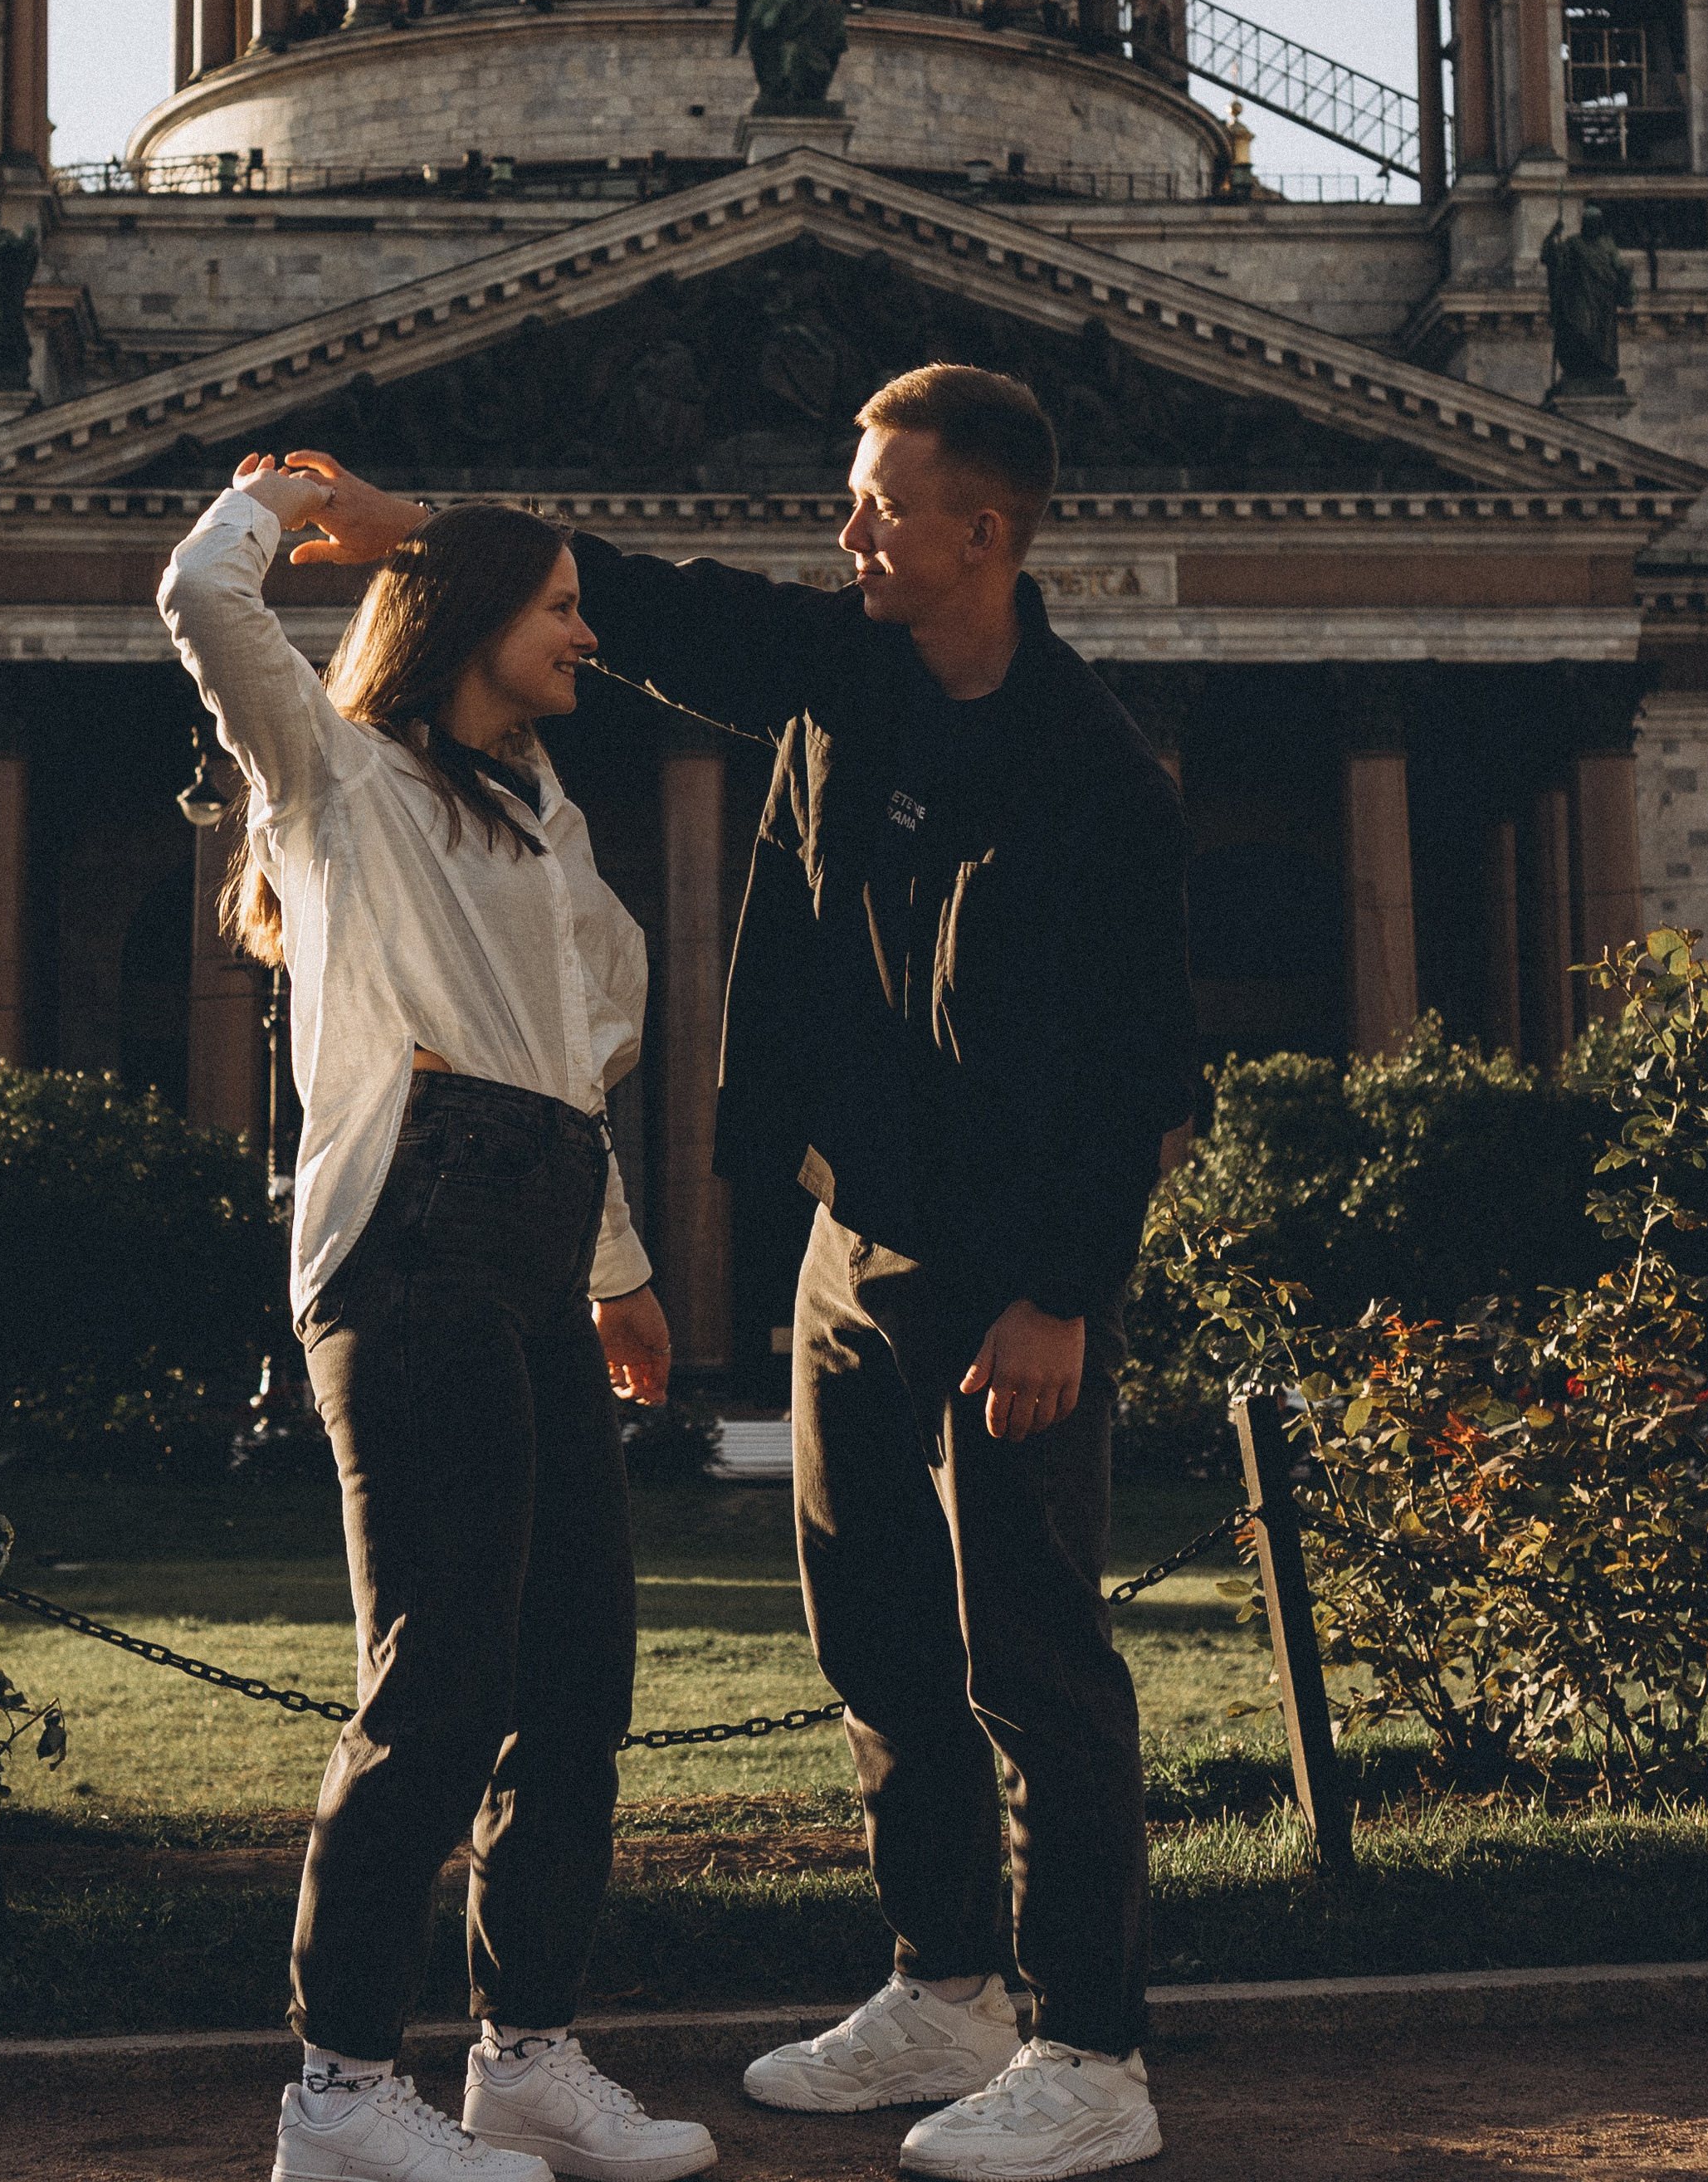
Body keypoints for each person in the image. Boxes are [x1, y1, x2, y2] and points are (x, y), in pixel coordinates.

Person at [281, 363, 1198, 2176]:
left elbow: (1132, 1067)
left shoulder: (1096, 778)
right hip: (854, 1240)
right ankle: (945, 1987)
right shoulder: (848, 668)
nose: (842, 527)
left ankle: (1091, 2051)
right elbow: (651, 599)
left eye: (876, 502)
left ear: (980, 535)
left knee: (1030, 1649)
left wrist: (1061, 1295)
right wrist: (411, 534)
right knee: (870, 1631)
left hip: (1011, 1262)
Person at [159, 466, 716, 2182]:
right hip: (405, 1256)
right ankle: (333, 2093)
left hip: (534, 1250)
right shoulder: (339, 777)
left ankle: (525, 2057)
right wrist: (296, 507)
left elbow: (560, 1066)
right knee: (441, 1677)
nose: (583, 629)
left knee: (576, 1680)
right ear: (472, 617)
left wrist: (614, 1271)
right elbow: (200, 598)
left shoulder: (544, 812)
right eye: (556, 602)